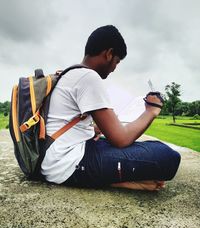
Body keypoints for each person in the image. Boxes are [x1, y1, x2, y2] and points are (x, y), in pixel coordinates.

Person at [41, 25, 181, 191]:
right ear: (108, 54)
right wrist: (151, 110)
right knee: (167, 156)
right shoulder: (88, 77)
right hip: (66, 164)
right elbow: (120, 139)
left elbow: (63, 120)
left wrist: (93, 129)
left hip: (57, 156)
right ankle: (112, 180)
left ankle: (112, 179)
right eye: (117, 61)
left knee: (148, 147)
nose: (115, 67)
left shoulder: (71, 73)